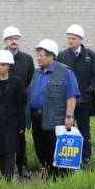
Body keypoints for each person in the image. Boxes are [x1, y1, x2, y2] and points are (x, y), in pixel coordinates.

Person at [25, 39, 79, 180]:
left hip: (55, 119)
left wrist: (69, 116)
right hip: (37, 119)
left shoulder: (65, 72)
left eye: (41, 55)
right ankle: (48, 174)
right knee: (40, 149)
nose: (38, 58)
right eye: (37, 55)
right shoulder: (37, 72)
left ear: (51, 56)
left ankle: (60, 179)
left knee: (55, 150)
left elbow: (71, 96)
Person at [0, 26, 34, 179]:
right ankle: (4, 170)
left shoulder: (27, 59)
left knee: (20, 137)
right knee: (2, 137)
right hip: (1, 106)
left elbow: (31, 80)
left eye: (16, 38)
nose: (13, 41)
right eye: (10, 39)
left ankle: (22, 166)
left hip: (20, 105)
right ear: (5, 41)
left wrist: (26, 100)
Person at [57, 24, 95, 168]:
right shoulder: (62, 56)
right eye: (69, 38)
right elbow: (58, 76)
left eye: (74, 38)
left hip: (84, 102)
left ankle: (86, 159)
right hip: (67, 102)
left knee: (84, 131)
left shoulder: (89, 55)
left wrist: (88, 92)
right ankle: (68, 161)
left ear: (81, 39)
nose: (70, 41)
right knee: (68, 130)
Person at [0, 50, 27, 183]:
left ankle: (9, 178)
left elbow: (21, 104)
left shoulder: (17, 82)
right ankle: (3, 175)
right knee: (0, 149)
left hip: (12, 122)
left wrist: (22, 125)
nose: (0, 67)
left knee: (10, 150)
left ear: (9, 66)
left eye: (3, 65)